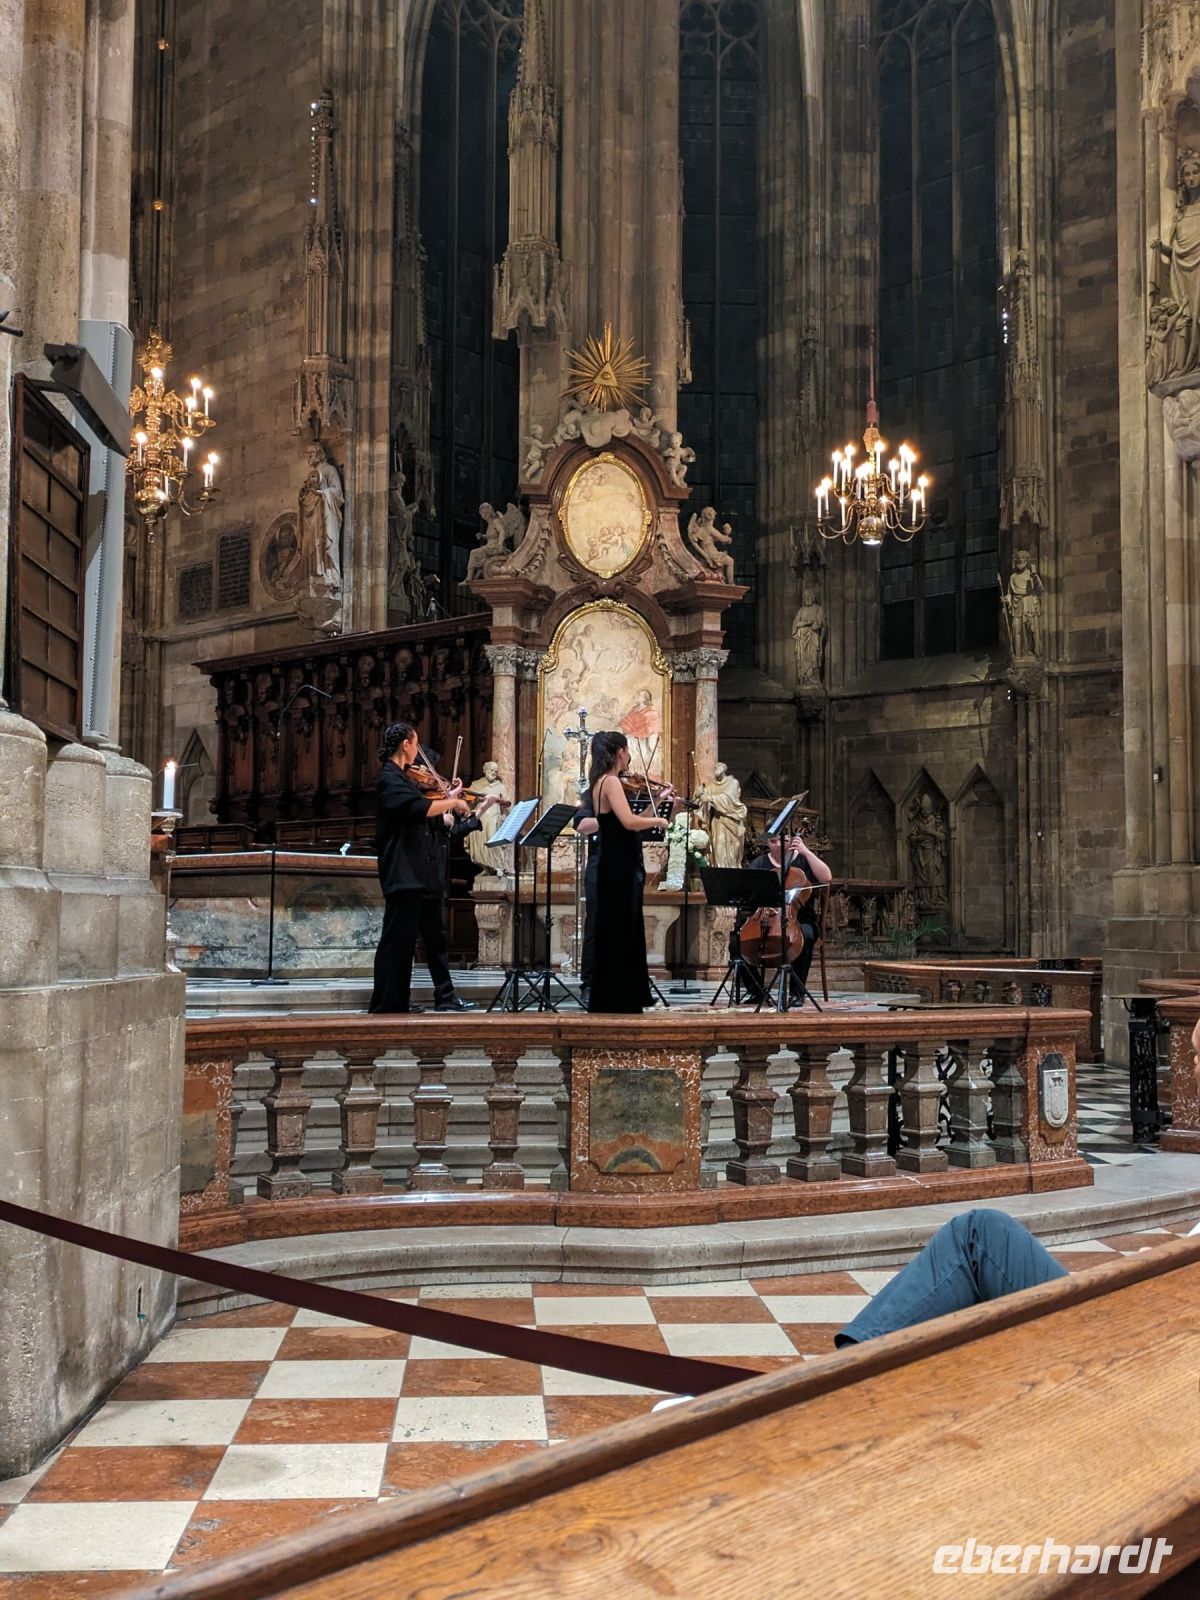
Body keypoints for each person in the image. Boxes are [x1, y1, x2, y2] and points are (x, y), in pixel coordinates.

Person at [368, 722, 471, 1014]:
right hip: (401, 871)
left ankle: (397, 1000)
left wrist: (449, 797)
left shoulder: (401, 778)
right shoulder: (390, 778)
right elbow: (419, 809)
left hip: (414, 873)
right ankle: (386, 1003)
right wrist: (453, 801)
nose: (417, 750)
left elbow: (424, 807)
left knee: (405, 944)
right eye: (415, 743)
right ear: (406, 744)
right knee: (396, 941)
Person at [586, 730, 676, 1013]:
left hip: (617, 862)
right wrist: (660, 820)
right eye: (626, 750)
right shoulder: (611, 781)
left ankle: (622, 994)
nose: (629, 755)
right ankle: (619, 997)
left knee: (623, 927)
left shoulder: (603, 781)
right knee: (620, 929)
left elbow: (632, 819)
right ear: (619, 752)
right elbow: (627, 822)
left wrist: (658, 802)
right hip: (617, 867)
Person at [419, 749, 500, 1013]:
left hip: (434, 880)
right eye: (428, 771)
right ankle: (398, 998)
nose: (434, 778)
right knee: (410, 942)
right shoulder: (420, 805)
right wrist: (446, 808)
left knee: (437, 943)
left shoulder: (436, 803)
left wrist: (482, 809)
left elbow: (455, 833)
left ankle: (446, 996)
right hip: (420, 879)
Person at [737, 829, 833, 1003]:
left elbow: (826, 877)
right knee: (736, 942)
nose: (779, 845)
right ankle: (757, 991)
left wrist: (806, 851)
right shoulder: (760, 863)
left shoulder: (803, 859)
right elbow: (747, 891)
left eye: (784, 840)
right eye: (773, 841)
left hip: (800, 919)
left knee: (807, 936)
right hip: (765, 918)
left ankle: (797, 993)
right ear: (767, 843)